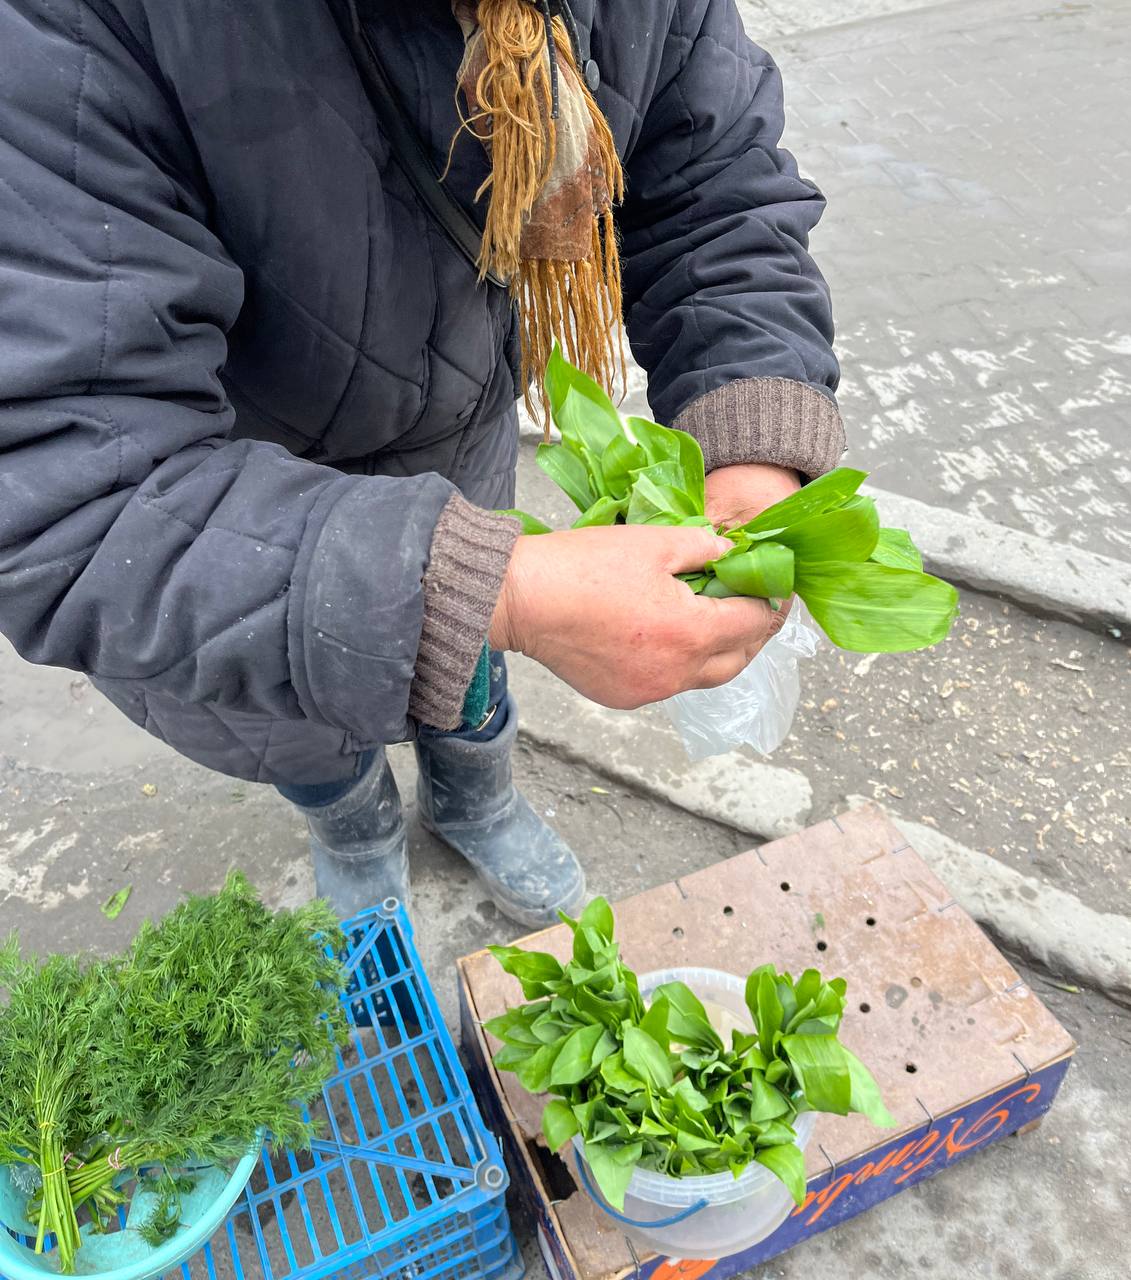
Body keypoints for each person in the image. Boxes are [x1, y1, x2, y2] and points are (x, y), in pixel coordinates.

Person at [0, 0, 843, 927]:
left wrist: (750, 439)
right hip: (224, 512)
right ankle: (354, 828)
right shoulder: (64, 27)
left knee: (469, 673)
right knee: (297, 721)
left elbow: (713, 190)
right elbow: (64, 482)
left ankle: (474, 801)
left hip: (455, 434)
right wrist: (504, 595)